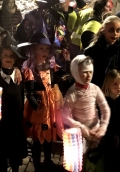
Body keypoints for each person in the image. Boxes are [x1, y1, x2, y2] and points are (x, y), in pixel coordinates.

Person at [19, 31, 69, 171]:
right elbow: (29, 93)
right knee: (37, 137)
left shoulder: (51, 66)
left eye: (47, 49)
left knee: (49, 135)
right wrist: (36, 106)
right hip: (39, 107)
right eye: (41, 48)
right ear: (33, 49)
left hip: (51, 106)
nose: (45, 51)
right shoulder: (30, 70)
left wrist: (67, 60)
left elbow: (66, 76)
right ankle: (36, 165)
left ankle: (47, 161)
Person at [62, 55, 110, 161]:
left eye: (90, 72)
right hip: (79, 134)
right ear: (75, 72)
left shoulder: (95, 89)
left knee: (93, 160)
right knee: (78, 160)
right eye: (84, 72)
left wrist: (103, 127)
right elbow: (65, 115)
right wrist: (81, 127)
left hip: (95, 132)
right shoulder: (72, 93)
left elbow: (105, 109)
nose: (88, 76)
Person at [0, 31, 27, 172]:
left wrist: (18, 69)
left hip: (16, 120)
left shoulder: (19, 75)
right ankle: (3, 167)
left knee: (15, 149)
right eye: (5, 55)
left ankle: (15, 167)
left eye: (12, 56)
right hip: (0, 120)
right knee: (1, 148)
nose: (8, 58)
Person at [84, 15, 120, 89]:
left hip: (117, 92)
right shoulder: (92, 50)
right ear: (103, 30)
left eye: (118, 30)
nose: (115, 33)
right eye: (111, 30)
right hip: (98, 90)